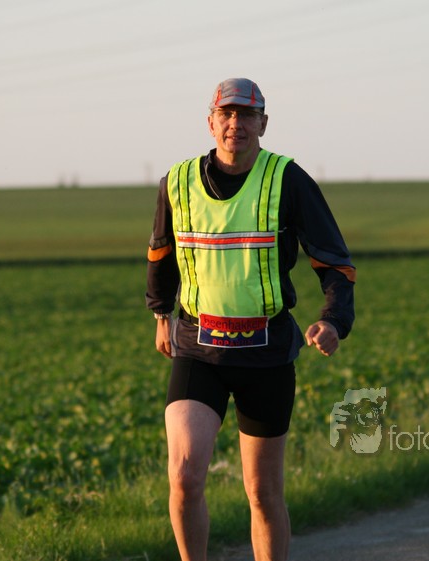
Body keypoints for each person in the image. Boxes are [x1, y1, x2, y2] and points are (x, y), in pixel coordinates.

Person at [145, 77, 355, 561]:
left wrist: (332, 321)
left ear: (263, 123)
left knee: (262, 492)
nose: (235, 123)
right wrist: (160, 312)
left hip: (267, 354)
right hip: (199, 348)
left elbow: (335, 263)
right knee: (185, 476)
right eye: (227, 113)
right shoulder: (177, 182)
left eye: (247, 115)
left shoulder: (288, 180)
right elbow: (160, 252)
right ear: (211, 122)